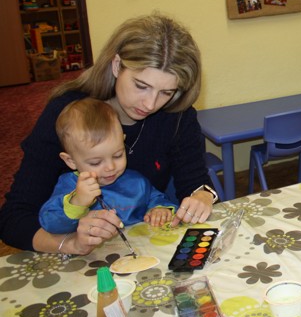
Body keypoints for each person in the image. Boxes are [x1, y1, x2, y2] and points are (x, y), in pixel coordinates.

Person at [0, 13, 219, 255]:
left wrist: (202, 196)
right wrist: (70, 243)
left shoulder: (176, 114)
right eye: (141, 86)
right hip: (73, 256)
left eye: (166, 92)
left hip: (144, 249)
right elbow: (13, 219)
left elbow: (195, 183)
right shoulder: (67, 114)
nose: (150, 104)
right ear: (116, 66)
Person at [40, 98, 177, 233]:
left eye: (118, 155)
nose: (110, 167)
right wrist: (77, 203)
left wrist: (160, 209)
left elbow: (157, 199)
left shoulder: (136, 181)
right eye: (96, 162)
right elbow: (50, 224)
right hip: (92, 247)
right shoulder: (69, 185)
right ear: (71, 161)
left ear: (123, 141)